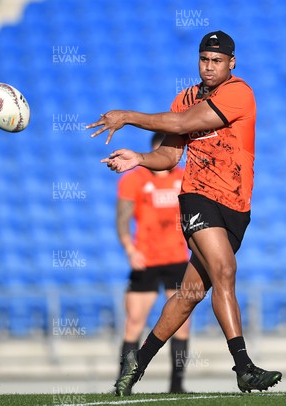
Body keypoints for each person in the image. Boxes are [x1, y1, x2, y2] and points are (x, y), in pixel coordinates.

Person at [87, 30, 282, 396]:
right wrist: (141, 159)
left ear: (231, 63)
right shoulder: (185, 97)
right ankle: (244, 367)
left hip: (236, 208)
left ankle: (137, 363)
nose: (209, 67)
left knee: (190, 293)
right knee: (225, 269)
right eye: (204, 59)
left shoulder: (239, 92)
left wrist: (127, 116)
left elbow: (180, 125)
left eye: (217, 61)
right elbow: (171, 156)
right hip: (197, 198)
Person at [116, 132, 190, 394]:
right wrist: (129, 249)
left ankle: (177, 386)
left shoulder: (184, 177)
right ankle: (123, 383)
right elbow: (122, 218)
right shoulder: (133, 179)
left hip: (177, 259)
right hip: (145, 259)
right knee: (134, 322)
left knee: (180, 323)